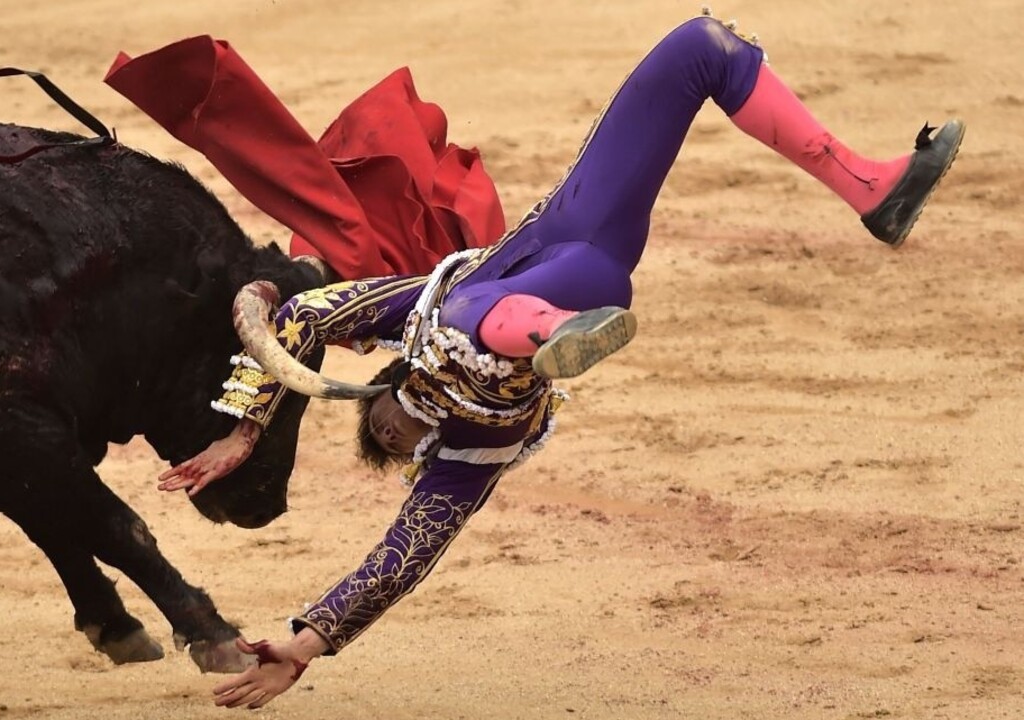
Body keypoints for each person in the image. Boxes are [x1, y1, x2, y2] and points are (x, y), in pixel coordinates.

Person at [157, 12, 963, 709]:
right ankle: (552, 337)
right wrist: (305, 644)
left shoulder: (409, 311)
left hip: (575, 233)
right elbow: (399, 559)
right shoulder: (468, 457)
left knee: (700, 48)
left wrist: (246, 430)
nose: (401, 431)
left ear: (385, 381)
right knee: (468, 327)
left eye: (385, 423)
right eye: (403, 446)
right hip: (569, 302)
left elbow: (300, 315)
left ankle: (870, 185)